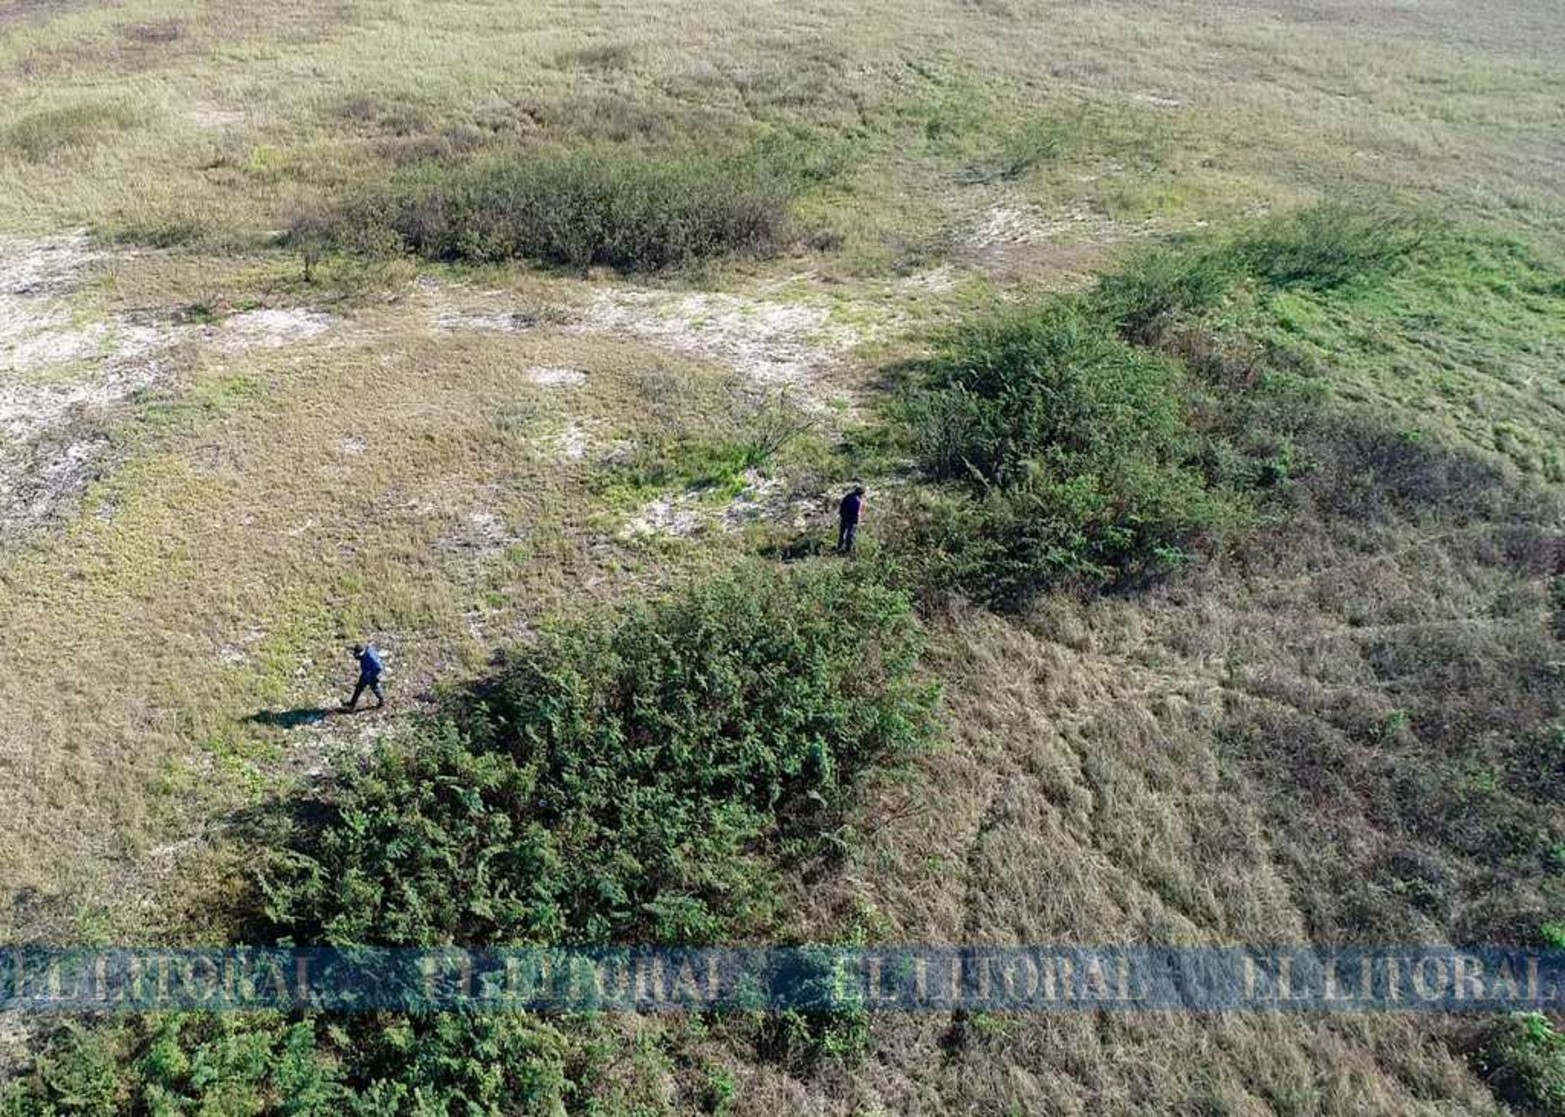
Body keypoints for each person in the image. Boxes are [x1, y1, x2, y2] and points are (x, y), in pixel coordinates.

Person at [343, 643, 385, 711]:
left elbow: (379, 667)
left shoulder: (370, 657)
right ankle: (352, 704)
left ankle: (382, 701)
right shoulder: (366, 649)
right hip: (365, 673)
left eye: (357, 654)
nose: (356, 656)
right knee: (358, 688)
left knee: (376, 689)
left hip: (372, 676)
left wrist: (371, 674)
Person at [837, 485, 865, 555]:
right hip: (852, 520)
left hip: (844, 517)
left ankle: (840, 547)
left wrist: (841, 514)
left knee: (842, 533)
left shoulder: (848, 496)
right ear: (861, 494)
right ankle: (848, 550)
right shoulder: (858, 501)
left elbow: (842, 506)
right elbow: (857, 513)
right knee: (851, 535)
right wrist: (858, 521)